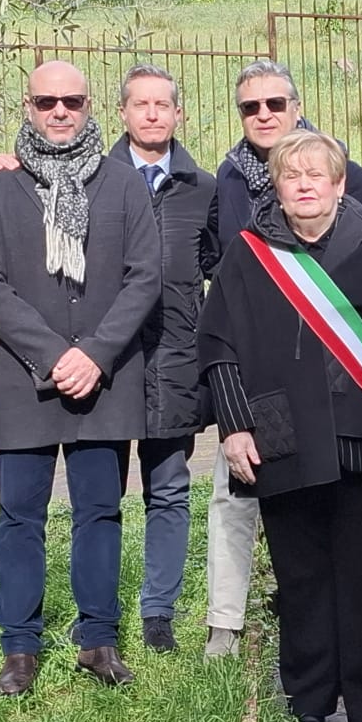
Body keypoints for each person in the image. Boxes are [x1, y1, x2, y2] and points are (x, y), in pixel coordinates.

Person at [200, 128, 362, 722]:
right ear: (276, 185)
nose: (303, 185)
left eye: (315, 175)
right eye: (290, 175)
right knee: (300, 578)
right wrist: (234, 426)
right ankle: (309, 700)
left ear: (338, 183)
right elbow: (218, 345)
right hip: (280, 436)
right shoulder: (248, 252)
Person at [0, 61, 160, 694]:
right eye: (47, 100)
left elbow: (144, 276)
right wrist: (52, 354)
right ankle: (19, 649)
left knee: (100, 513)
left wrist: (96, 354)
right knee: (19, 517)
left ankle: (98, 640)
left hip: (103, 381)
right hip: (27, 380)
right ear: (28, 104)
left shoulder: (123, 183)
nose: (59, 111)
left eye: (71, 101)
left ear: (88, 105)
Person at [197, 61, 362, 659]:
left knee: (359, 566)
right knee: (293, 564)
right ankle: (286, 679)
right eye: (251, 107)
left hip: (353, 419)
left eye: (276, 104)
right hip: (270, 413)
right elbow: (219, 320)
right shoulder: (226, 182)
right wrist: (232, 421)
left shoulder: (359, 207)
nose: (264, 115)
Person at [113, 65, 215, 654]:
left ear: (178, 115)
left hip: (176, 360)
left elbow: (218, 269)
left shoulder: (201, 188)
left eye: (163, 105)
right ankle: (97, 613)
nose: (152, 114)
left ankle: (158, 613)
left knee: (170, 489)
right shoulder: (93, 181)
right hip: (109, 364)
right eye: (140, 104)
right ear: (123, 113)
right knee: (100, 495)